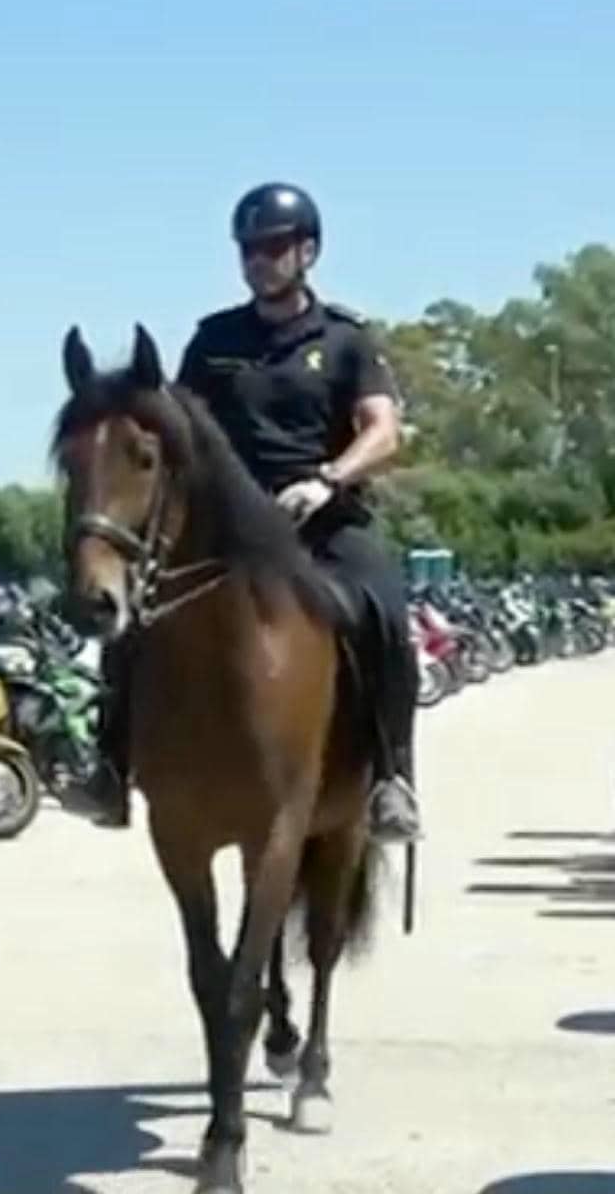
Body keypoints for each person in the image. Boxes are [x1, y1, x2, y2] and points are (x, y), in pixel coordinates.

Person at [77, 183, 422, 844]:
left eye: (272, 247)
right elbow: (175, 431)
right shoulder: (213, 340)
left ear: (307, 252)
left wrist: (328, 478)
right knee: (129, 626)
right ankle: (111, 767)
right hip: (230, 527)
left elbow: (383, 431)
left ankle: (390, 779)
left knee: (383, 611)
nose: (258, 260)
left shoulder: (345, 340)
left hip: (321, 519)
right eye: (248, 249)